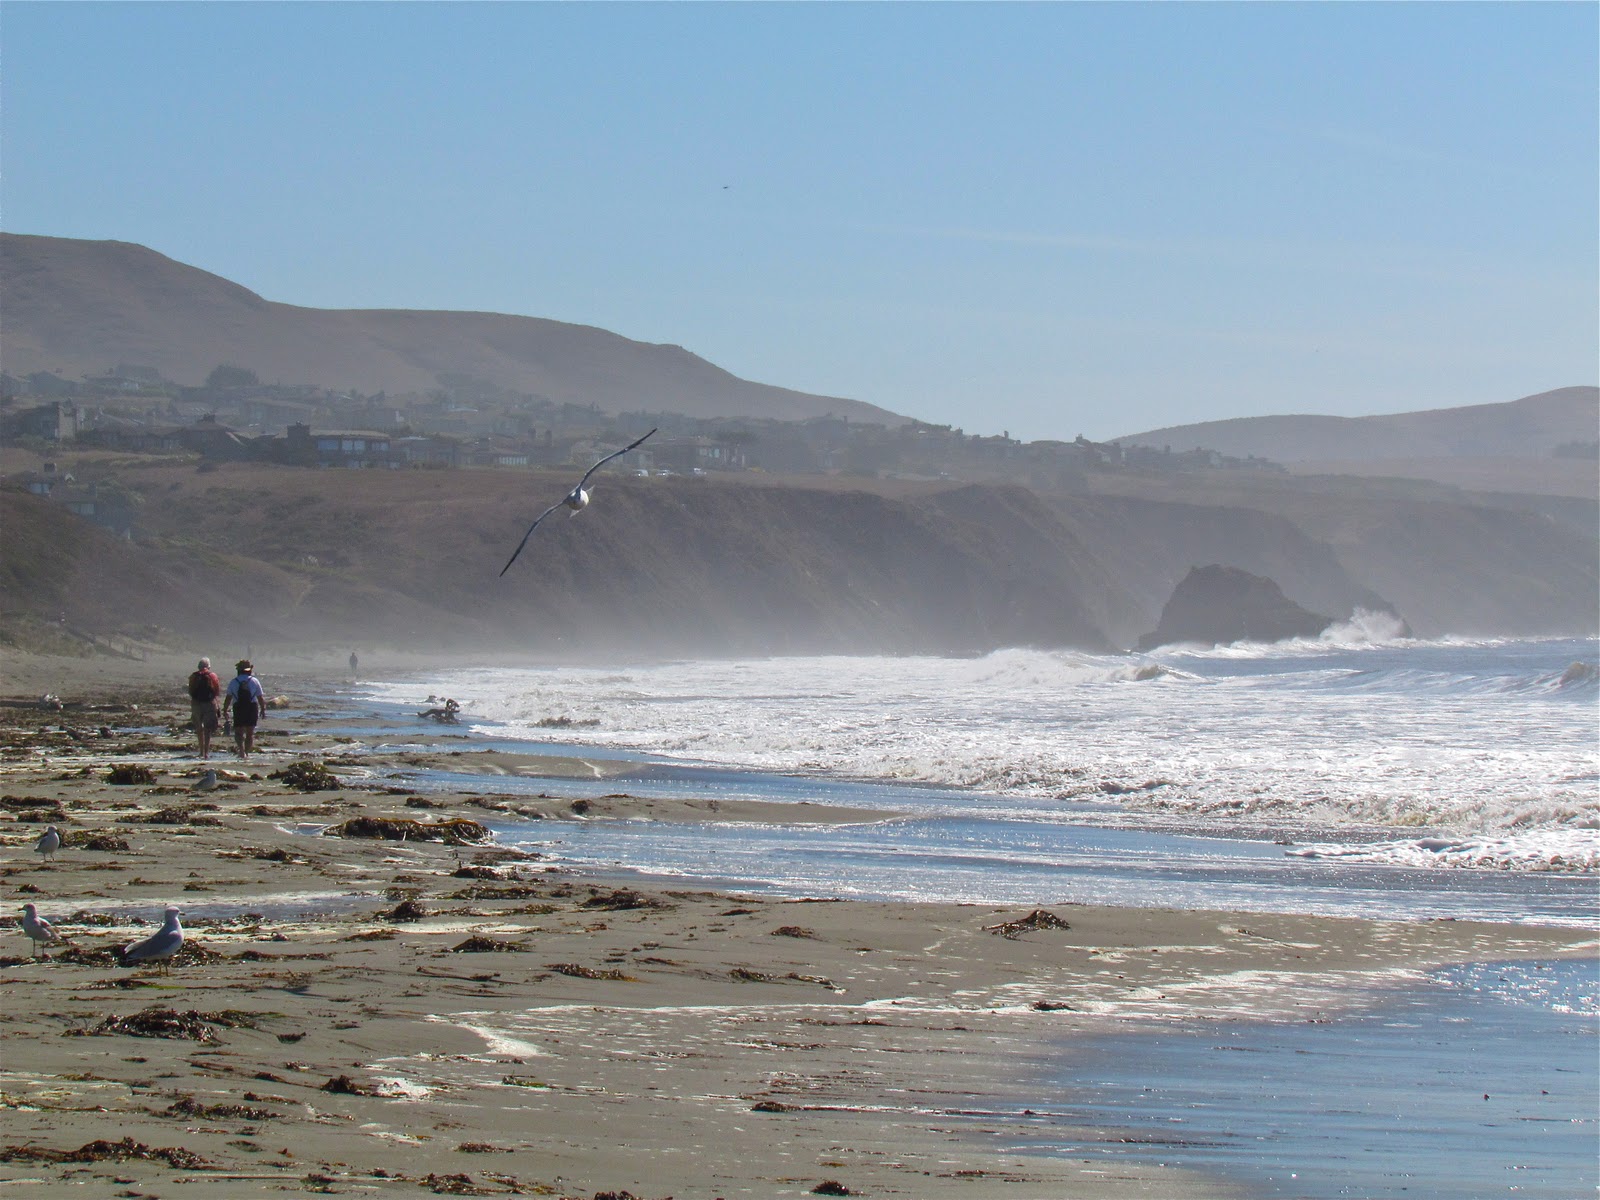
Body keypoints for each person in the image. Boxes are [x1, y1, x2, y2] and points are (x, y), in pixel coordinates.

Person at [222, 659, 266, 760]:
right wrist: (263, 710)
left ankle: (241, 751)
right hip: (252, 707)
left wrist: (225, 710)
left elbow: (228, 697)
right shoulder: (255, 681)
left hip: (238, 707)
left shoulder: (234, 682)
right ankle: (246, 752)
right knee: (250, 733)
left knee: (238, 732)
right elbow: (260, 697)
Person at [186, 657, 222, 760]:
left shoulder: (193, 676)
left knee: (199, 727)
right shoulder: (212, 676)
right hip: (209, 703)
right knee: (208, 729)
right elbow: (217, 690)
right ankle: (206, 752)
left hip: (196, 703)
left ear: (198, 666)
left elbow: (190, 690)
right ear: (208, 666)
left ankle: (201, 751)